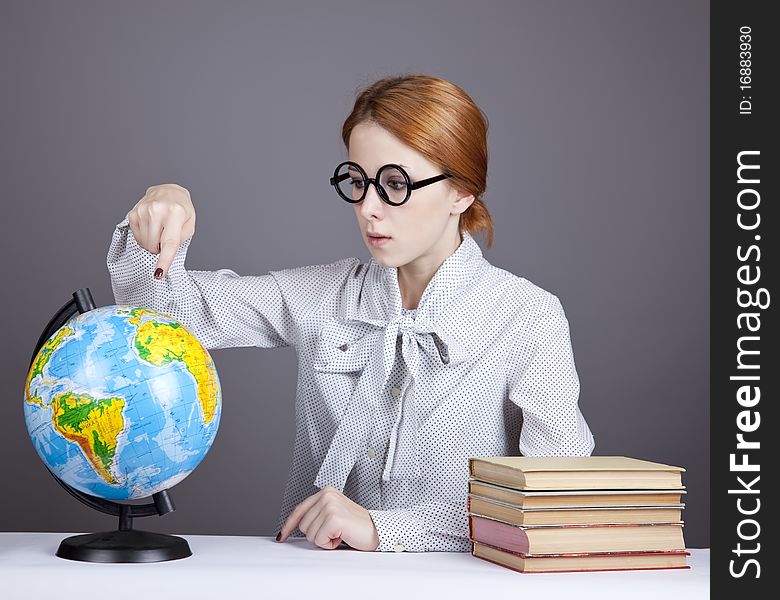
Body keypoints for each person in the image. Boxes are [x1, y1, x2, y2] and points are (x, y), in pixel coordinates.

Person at [106, 73, 595, 553]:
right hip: (321, 581)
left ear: (463, 191)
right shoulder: (323, 296)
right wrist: (161, 208)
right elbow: (157, 318)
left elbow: (556, 507)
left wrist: (385, 529)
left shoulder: (527, 316)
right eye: (357, 181)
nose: (368, 208)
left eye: (395, 184)